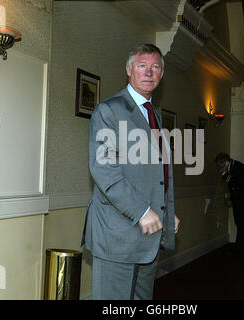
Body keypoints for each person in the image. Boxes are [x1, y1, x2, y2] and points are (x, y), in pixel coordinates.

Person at [82, 44, 180, 300]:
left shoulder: (154, 114)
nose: (149, 72)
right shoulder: (109, 110)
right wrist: (142, 211)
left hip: (148, 237)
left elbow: (158, 171)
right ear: (129, 70)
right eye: (142, 66)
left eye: (155, 67)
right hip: (118, 236)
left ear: (161, 75)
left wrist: (167, 212)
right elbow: (104, 170)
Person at [215, 153, 244, 251]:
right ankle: (242, 246)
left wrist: (225, 174)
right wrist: (231, 199)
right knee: (240, 223)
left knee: (242, 223)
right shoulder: (234, 167)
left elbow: (237, 184)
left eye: (219, 165)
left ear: (224, 162)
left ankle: (240, 247)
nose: (219, 168)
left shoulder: (238, 167)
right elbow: (233, 186)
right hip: (240, 200)